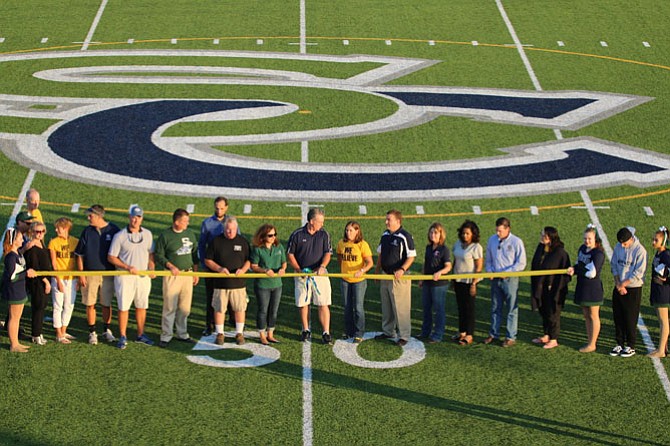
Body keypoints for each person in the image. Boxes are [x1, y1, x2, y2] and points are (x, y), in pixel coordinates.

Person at [107, 206, 155, 349]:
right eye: (134, 217)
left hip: (142, 276)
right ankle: (123, 335)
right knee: (123, 306)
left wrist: (151, 268)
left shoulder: (147, 234)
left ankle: (140, 334)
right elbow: (111, 257)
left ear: (142, 218)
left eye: (138, 217)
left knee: (142, 305)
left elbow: (151, 254)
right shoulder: (120, 236)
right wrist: (127, 267)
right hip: (125, 276)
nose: (135, 220)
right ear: (129, 217)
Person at [153, 209, 200, 348]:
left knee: (185, 306)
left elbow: (195, 254)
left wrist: (195, 273)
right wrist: (171, 266)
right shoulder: (165, 235)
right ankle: (166, 335)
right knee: (169, 306)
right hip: (172, 275)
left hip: (187, 274)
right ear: (176, 222)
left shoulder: (190, 234)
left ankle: (182, 333)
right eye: (185, 221)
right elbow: (159, 255)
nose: (187, 223)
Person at [287, 208, 334, 344]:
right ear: (312, 221)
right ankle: (305, 329)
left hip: (319, 273)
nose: (322, 224)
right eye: (320, 222)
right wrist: (298, 269)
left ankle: (326, 332)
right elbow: (290, 254)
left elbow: (327, 253)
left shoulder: (324, 234)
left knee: (323, 302)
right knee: (303, 302)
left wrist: (322, 266)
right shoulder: (297, 234)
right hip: (302, 274)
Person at [74, 205, 120, 345]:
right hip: (90, 273)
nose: (88, 218)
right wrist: (81, 274)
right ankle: (92, 332)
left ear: (99, 216)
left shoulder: (114, 230)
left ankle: (106, 329)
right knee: (90, 303)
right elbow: (79, 255)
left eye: (91, 216)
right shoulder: (87, 231)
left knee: (106, 303)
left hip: (108, 274)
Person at [204, 217, 250, 346]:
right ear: (224, 228)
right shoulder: (216, 241)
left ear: (236, 228)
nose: (230, 232)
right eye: (228, 229)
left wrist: (243, 270)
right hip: (220, 283)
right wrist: (219, 268)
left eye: (233, 229)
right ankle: (220, 334)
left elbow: (249, 260)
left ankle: (239, 333)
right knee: (219, 309)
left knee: (239, 308)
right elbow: (208, 260)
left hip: (238, 283)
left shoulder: (243, 241)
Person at [375, 209, 416, 346]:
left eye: (389, 220)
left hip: (399, 278)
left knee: (401, 307)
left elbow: (411, 256)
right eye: (386, 219)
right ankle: (388, 331)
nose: (386, 222)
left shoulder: (405, 236)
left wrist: (402, 269)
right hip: (385, 275)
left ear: (398, 221)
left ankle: (404, 335)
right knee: (387, 306)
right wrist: (377, 270)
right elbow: (380, 254)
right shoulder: (385, 235)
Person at [484, 217, 526, 347]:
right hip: (496, 279)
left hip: (510, 280)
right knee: (495, 307)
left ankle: (510, 336)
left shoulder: (516, 242)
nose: (498, 233)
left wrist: (507, 273)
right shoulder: (492, 240)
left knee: (511, 308)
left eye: (500, 231)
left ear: (508, 229)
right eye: (497, 230)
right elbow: (489, 259)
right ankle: (493, 333)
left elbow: (521, 263)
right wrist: (490, 271)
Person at [529, 227, 571, 349]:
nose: (542, 237)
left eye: (544, 235)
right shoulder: (543, 248)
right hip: (541, 287)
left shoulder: (560, 253)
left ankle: (554, 338)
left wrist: (553, 284)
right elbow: (536, 263)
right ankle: (546, 334)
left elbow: (563, 272)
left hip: (553, 289)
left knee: (553, 313)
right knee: (544, 311)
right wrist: (541, 246)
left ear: (550, 237)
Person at [567, 224, 605, 353]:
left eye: (589, 239)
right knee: (586, 315)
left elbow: (591, 273)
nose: (586, 241)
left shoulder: (598, 253)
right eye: (585, 238)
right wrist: (574, 268)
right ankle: (589, 340)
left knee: (593, 315)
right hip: (582, 286)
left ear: (596, 239)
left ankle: (592, 343)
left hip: (592, 289)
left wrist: (579, 269)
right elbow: (579, 264)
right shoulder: (582, 248)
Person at [609, 226, 647, 358]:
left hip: (633, 289)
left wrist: (623, 284)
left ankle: (631, 345)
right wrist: (618, 283)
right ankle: (619, 342)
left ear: (631, 239)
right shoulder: (618, 247)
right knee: (618, 316)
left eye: (625, 243)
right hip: (619, 286)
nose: (623, 246)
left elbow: (638, 273)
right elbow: (614, 265)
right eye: (621, 243)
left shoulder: (640, 250)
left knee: (630, 318)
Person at [199, 196, 233, 336]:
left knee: (231, 294)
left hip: (228, 266)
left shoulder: (231, 222)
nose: (219, 210)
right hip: (212, 265)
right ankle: (209, 325)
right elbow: (201, 245)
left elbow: (239, 240)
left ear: (226, 207)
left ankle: (232, 319)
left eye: (221, 208)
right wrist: (203, 263)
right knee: (211, 296)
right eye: (217, 208)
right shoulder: (207, 223)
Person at [336, 220, 373, 343]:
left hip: (359, 280)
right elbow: (339, 257)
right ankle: (348, 331)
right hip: (345, 279)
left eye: (351, 230)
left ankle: (359, 332)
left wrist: (362, 270)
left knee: (358, 307)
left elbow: (370, 263)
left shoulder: (363, 244)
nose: (348, 232)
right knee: (347, 306)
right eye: (347, 230)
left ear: (357, 231)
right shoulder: (341, 243)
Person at [250, 223, 287, 345]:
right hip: (263, 285)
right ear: (263, 236)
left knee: (274, 310)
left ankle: (270, 333)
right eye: (270, 235)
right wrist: (265, 270)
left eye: (274, 235)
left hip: (277, 284)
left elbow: (284, 262)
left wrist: (283, 269)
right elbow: (253, 266)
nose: (273, 237)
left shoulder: (279, 247)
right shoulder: (257, 249)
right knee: (263, 310)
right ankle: (262, 334)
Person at [1, 229, 37, 352]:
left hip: (20, 289)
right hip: (14, 291)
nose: (22, 240)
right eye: (20, 238)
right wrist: (26, 273)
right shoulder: (11, 257)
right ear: (14, 241)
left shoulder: (16, 253)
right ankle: (13, 344)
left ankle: (16, 342)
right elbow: (12, 277)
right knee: (14, 318)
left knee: (17, 318)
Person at [451, 220, 483, 346]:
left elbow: (479, 267)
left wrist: (474, 283)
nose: (465, 236)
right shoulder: (458, 244)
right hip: (458, 280)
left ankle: (469, 334)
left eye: (468, 233)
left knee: (469, 308)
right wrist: (453, 278)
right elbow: (455, 260)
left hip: (469, 281)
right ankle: (462, 331)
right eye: (463, 233)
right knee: (461, 307)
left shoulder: (476, 247)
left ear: (473, 234)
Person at [419, 222, 452, 343]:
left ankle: (438, 334)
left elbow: (448, 266)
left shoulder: (444, 249)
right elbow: (425, 264)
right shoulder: (428, 248)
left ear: (441, 234)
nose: (433, 234)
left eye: (436, 232)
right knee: (426, 308)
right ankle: (425, 331)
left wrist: (440, 273)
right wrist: (422, 278)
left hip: (439, 284)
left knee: (439, 309)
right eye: (431, 232)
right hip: (427, 282)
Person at [48, 217, 79, 345]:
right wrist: (58, 280)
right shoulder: (53, 243)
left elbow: (78, 261)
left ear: (65, 228)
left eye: (58, 228)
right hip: (59, 278)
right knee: (58, 306)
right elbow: (54, 263)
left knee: (69, 305)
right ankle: (58, 334)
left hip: (72, 279)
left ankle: (63, 330)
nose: (56, 230)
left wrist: (78, 277)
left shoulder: (75, 242)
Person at [24, 221, 53, 345]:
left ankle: (38, 333)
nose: (40, 234)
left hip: (42, 281)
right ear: (32, 232)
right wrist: (46, 282)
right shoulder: (32, 246)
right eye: (37, 231)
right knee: (38, 307)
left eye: (42, 231)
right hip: (37, 282)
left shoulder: (41, 244)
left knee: (41, 307)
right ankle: (35, 334)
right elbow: (35, 267)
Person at [648, 226, 670, 358]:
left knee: (663, 321)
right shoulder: (659, 253)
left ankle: (661, 350)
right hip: (656, 290)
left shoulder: (666, 255)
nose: (653, 242)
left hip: (663, 292)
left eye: (656, 240)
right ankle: (664, 348)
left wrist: (666, 279)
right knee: (663, 320)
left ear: (663, 241)